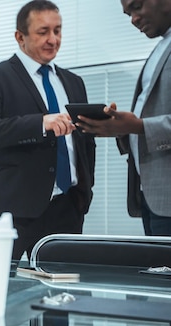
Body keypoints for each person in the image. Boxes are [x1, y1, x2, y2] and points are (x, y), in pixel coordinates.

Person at [0, 0, 96, 260]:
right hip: (11, 210)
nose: (53, 39)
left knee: (68, 295)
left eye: (57, 30)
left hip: (67, 208)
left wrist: (84, 191)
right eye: (43, 31)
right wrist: (40, 123)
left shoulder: (73, 82)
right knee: (0, 290)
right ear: (20, 37)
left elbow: (83, 143)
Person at [76, 0, 171, 236]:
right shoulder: (162, 46)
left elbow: (144, 124)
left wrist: (138, 126)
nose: (133, 19)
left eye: (137, 7)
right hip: (153, 196)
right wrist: (121, 128)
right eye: (128, 14)